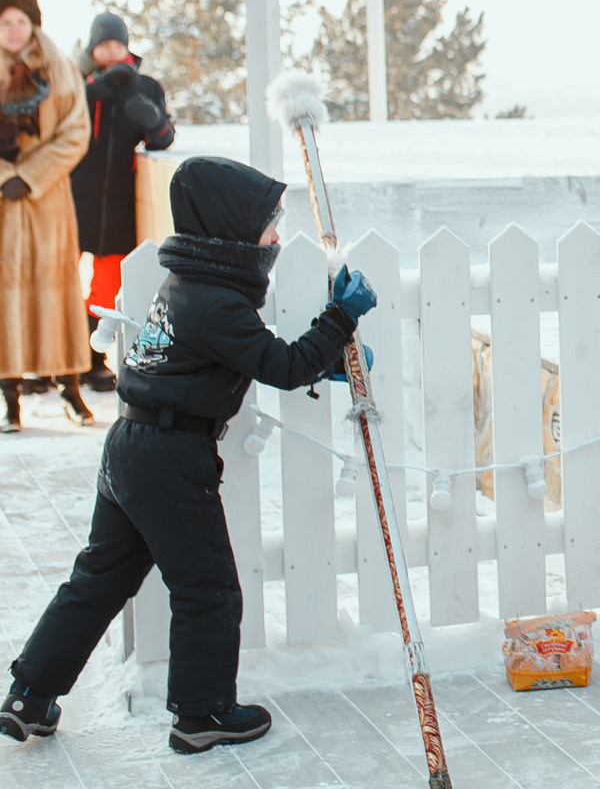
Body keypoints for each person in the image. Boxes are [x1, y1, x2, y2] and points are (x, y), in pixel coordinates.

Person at [2, 157, 377, 753]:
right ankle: (202, 714)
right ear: (231, 229)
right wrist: (339, 319)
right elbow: (280, 366)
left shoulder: (186, 286)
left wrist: (324, 359)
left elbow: (246, 357)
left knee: (100, 576)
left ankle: (30, 695)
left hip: (129, 445)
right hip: (171, 457)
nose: (277, 236)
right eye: (268, 224)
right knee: (209, 590)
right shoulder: (217, 303)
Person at [0, 0, 94, 430]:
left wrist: (31, 176)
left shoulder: (57, 68)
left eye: (21, 21)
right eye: (5, 22)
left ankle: (70, 388)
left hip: (47, 200)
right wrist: (5, 178)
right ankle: (9, 396)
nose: (14, 30)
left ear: (33, 24)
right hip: (1, 203)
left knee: (56, 291)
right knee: (4, 299)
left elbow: (76, 130)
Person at [72, 11, 176, 393]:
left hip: (119, 201)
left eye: (118, 44)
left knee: (106, 281)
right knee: (60, 279)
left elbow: (163, 140)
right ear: (92, 48)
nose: (112, 51)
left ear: (127, 46)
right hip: (72, 194)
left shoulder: (146, 85)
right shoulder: (75, 83)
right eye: (104, 45)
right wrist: (88, 93)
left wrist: (153, 121)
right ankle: (57, 359)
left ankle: (90, 359)